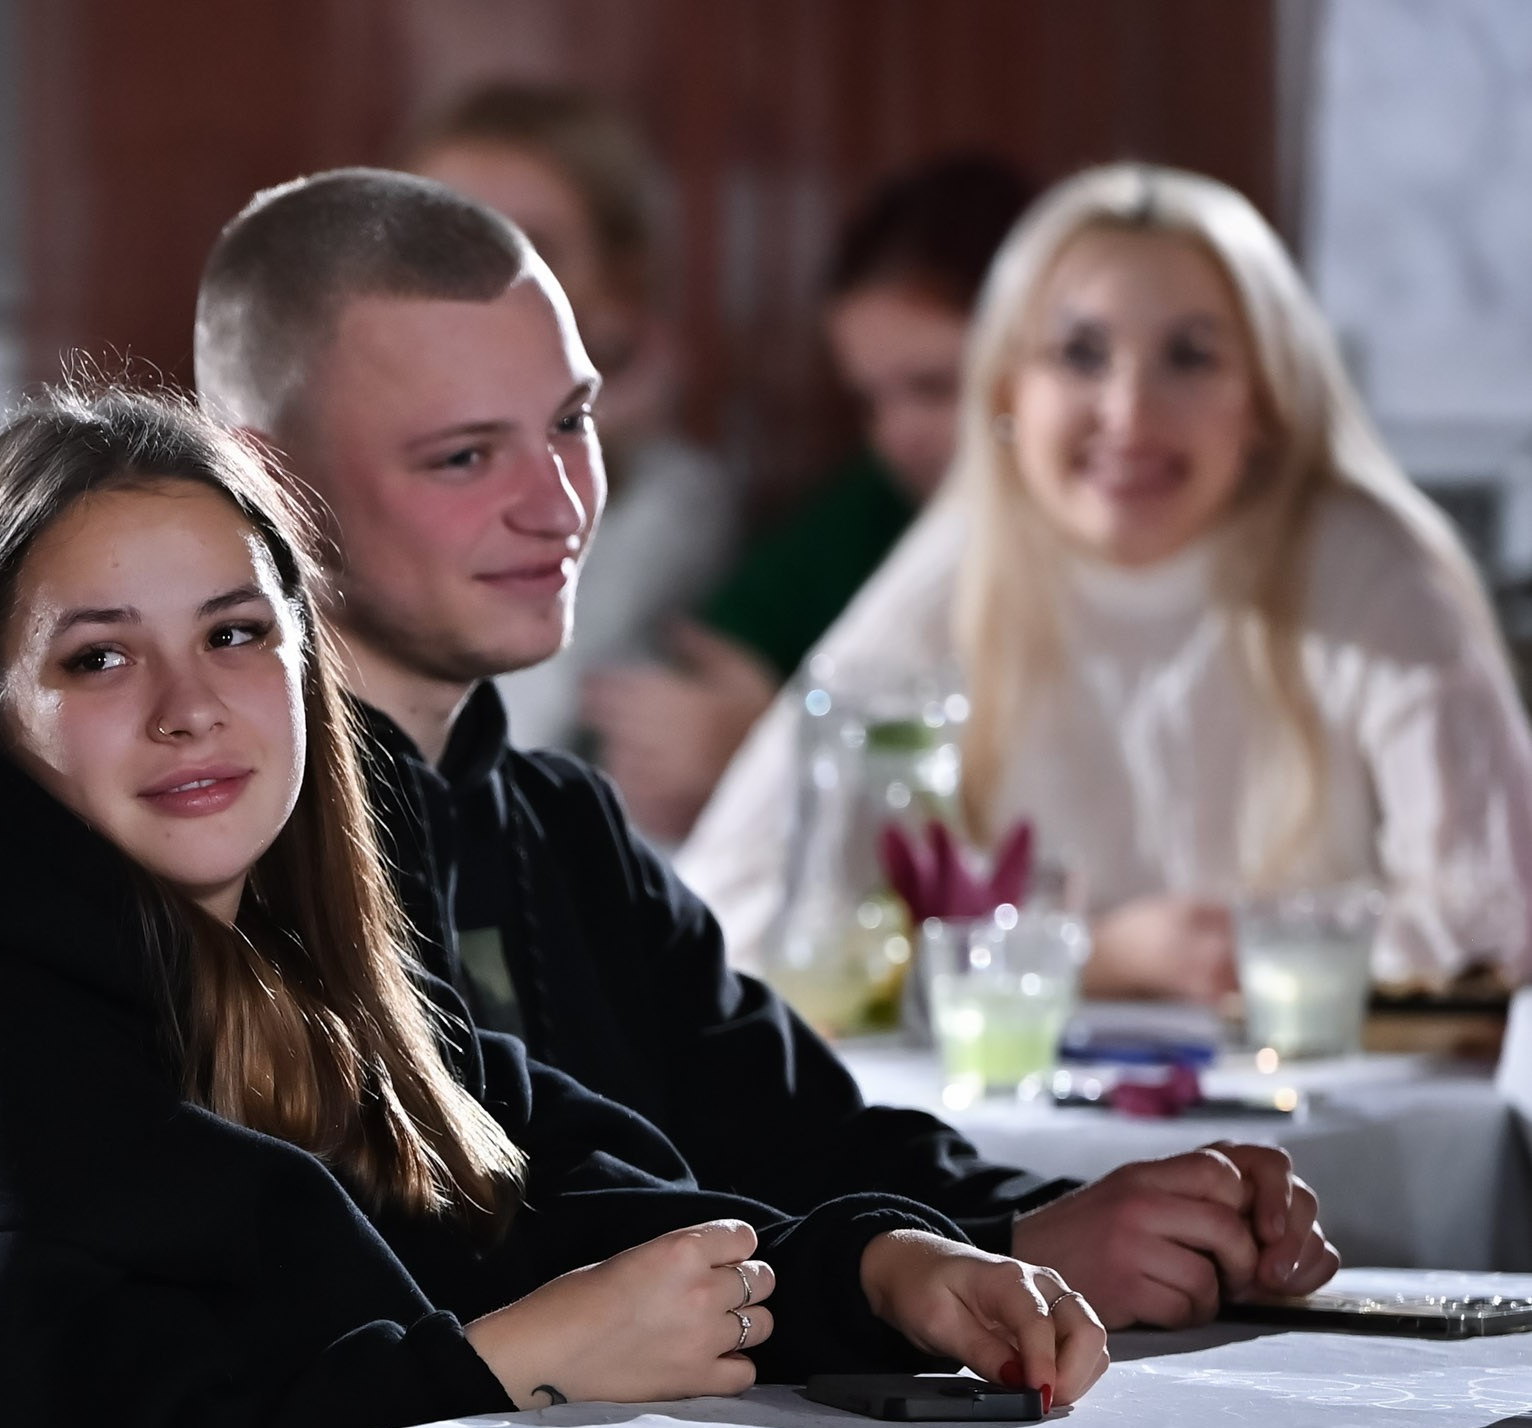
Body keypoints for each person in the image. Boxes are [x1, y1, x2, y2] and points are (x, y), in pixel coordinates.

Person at [0, 385, 1107, 1428]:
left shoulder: (271, 978)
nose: (189, 707)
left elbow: (563, 1204)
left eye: (235, 632)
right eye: (98, 659)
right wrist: (510, 1362)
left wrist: (875, 1271)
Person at [194, 166, 1339, 1333]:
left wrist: (1053, 1222)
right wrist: (979, 1251)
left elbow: (797, 1132)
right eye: (463, 457)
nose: (559, 503)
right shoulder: (239, 856)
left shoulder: (557, 822)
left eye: (570, 423)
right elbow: (513, 1236)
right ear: (271, 481)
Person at [681, 162, 1532, 1000]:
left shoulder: (1370, 563)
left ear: (1267, 398)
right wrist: (1092, 955)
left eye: (1190, 357)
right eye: (1079, 354)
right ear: (1009, 390)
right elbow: (722, 908)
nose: (1129, 414)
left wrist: (1230, 950)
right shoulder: (961, 564)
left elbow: (1499, 917)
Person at [580, 154, 1036, 841]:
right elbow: (712, 672)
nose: (898, 435)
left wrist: (768, 751)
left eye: (935, 387)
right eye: (870, 401)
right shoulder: (876, 505)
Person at [398, 83, 741, 761]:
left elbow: (514, 734)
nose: (476, 281)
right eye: (441, 240)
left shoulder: (673, 498)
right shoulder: (330, 468)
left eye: (530, 246)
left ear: (617, 286)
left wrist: (584, 449)